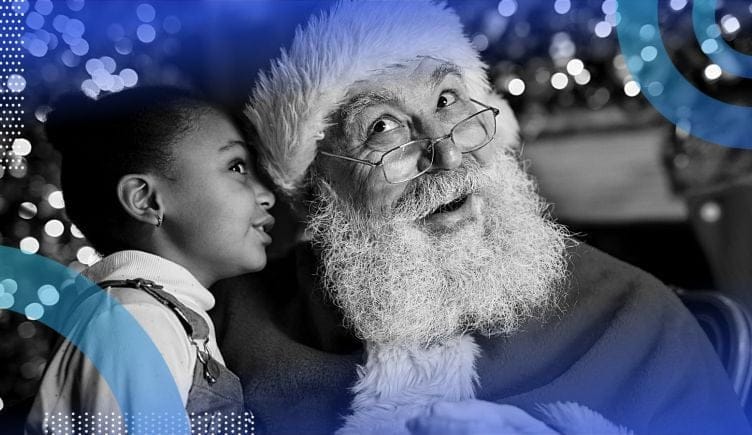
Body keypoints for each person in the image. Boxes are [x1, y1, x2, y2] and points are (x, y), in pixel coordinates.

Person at [211, 1, 751, 434]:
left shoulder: (635, 319)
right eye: (382, 128)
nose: (445, 155)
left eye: (448, 99)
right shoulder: (231, 327)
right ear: (311, 191)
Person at [25, 87, 275, 433]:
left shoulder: (161, 315)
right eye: (237, 167)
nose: (266, 195)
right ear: (145, 200)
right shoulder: (136, 320)